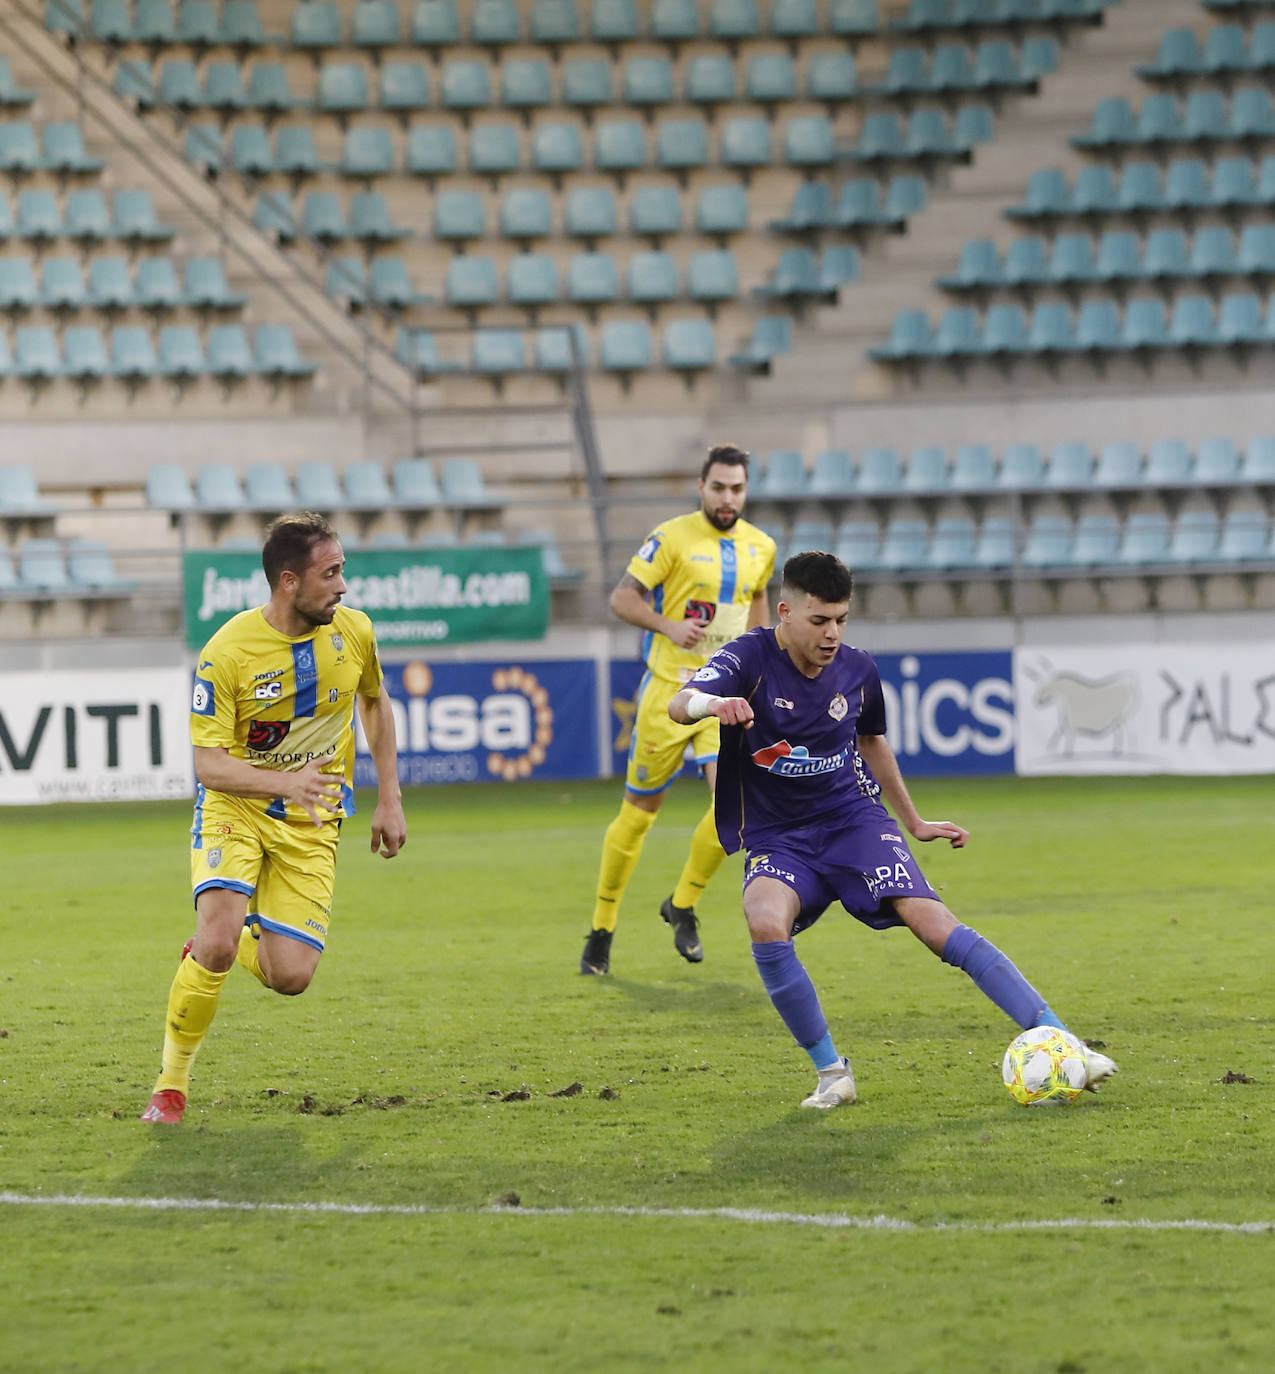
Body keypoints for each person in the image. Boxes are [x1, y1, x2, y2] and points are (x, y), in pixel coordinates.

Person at [668, 550, 1118, 1108]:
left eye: (841, 620)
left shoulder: (858, 669)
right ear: (784, 612)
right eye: (819, 621)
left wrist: (914, 821)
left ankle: (1065, 1042)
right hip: (780, 835)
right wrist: (716, 704)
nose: (832, 633)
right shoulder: (749, 657)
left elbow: (872, 740)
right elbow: (679, 703)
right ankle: (833, 1073)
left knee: (932, 923)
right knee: (764, 921)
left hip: (853, 820)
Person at [141, 512, 407, 1124]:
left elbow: (374, 701)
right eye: (331, 573)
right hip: (237, 806)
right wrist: (284, 779)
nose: (344, 587)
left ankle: (233, 938)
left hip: (313, 819)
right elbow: (209, 766)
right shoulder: (228, 652)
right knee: (212, 943)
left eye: (344, 571)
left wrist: (390, 797)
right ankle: (171, 1087)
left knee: (292, 976)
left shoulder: (356, 633)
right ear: (289, 582)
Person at [581, 445, 777, 975]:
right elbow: (622, 599)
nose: (728, 497)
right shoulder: (671, 537)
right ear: (701, 486)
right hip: (669, 692)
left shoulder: (762, 546)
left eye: (737, 488)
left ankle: (683, 904)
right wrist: (670, 627)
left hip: (725, 698)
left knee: (733, 810)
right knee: (639, 815)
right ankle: (601, 929)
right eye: (719, 487)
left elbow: (759, 616)